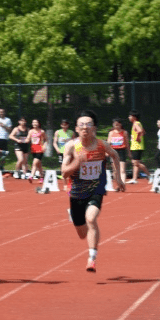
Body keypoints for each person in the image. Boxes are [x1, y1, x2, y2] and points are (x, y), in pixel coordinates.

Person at [61, 110, 126, 273]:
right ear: (76, 128)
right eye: (81, 125)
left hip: (96, 188)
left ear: (94, 128)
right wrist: (77, 162)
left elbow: (115, 155)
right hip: (76, 191)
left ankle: (92, 259)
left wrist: (118, 178)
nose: (85, 128)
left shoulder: (101, 145)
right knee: (82, 232)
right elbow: (64, 173)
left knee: (91, 218)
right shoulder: (70, 146)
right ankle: (74, 215)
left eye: (88, 125)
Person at [127, 110, 150, 184]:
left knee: (136, 163)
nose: (129, 117)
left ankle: (150, 176)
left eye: (130, 116)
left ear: (134, 117)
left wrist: (137, 138)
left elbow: (140, 131)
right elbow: (143, 132)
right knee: (135, 163)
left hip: (137, 146)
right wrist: (138, 137)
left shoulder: (136, 123)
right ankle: (134, 179)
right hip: (136, 146)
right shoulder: (138, 123)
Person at [106, 119, 129, 184]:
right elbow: (108, 143)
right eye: (115, 124)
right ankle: (118, 184)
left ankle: (123, 184)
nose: (116, 126)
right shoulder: (111, 133)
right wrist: (107, 152)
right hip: (113, 151)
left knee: (122, 169)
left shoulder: (124, 132)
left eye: (117, 124)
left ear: (120, 124)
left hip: (122, 151)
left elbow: (127, 143)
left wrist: (129, 153)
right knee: (115, 170)